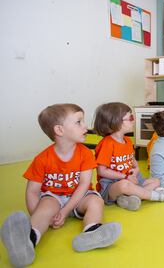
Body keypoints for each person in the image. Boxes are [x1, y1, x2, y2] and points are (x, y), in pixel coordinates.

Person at [1, 104, 121, 267]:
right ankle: (28, 241)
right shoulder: (42, 159)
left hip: (80, 197)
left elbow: (84, 184)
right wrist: (38, 216)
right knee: (45, 205)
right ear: (59, 130)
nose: (85, 126)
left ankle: (91, 231)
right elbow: (32, 192)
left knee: (96, 201)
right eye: (79, 122)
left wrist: (65, 211)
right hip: (54, 198)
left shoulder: (85, 153)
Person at [93, 102, 164, 211]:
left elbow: (133, 161)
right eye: (130, 117)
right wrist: (125, 177)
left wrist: (136, 170)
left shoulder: (127, 141)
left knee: (156, 181)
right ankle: (157, 196)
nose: (133, 120)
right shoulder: (107, 143)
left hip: (131, 180)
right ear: (116, 122)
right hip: (112, 186)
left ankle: (126, 199)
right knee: (124, 185)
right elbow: (102, 171)